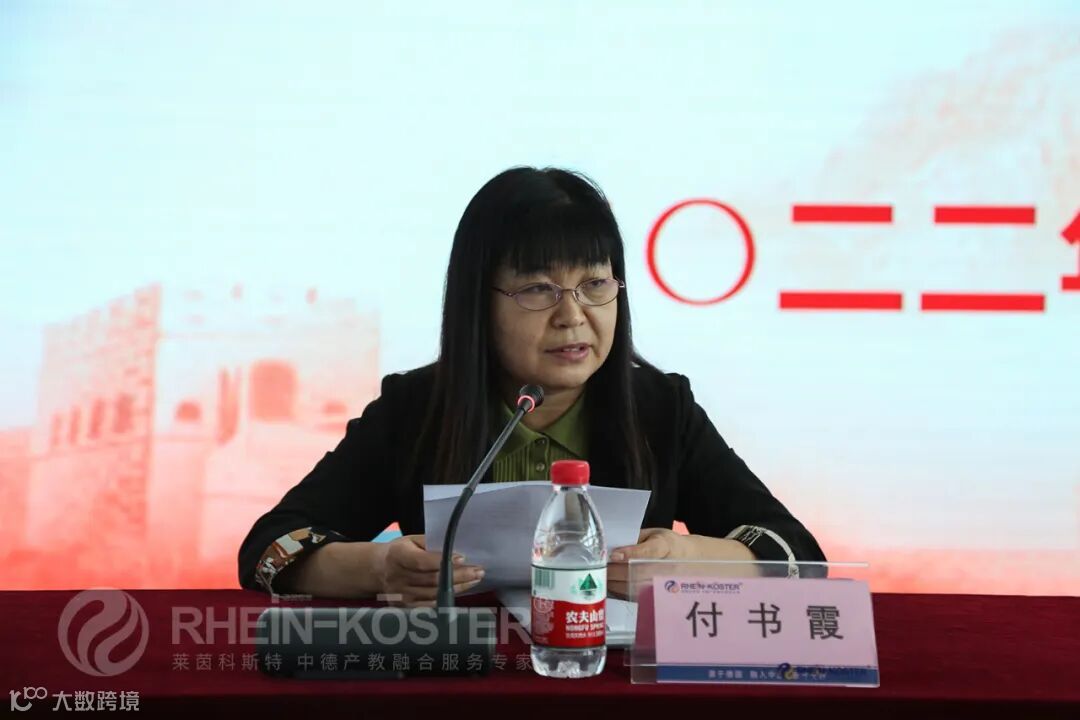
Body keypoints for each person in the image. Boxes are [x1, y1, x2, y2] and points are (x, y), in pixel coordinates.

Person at [237, 166, 826, 605]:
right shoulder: (415, 410)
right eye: (538, 289)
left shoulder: (660, 410)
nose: (573, 316)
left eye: (595, 285)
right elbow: (270, 548)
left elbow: (797, 553)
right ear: (479, 303)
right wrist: (379, 569)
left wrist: (685, 559)